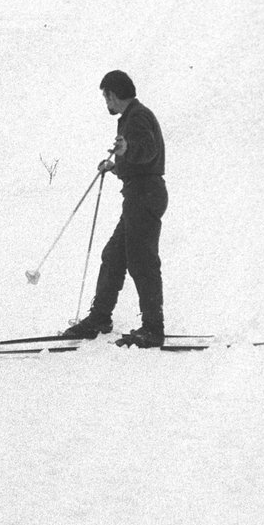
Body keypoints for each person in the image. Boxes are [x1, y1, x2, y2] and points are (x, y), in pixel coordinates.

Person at [62, 70, 168, 348]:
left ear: (112, 93)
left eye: (105, 96)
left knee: (142, 261)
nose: (105, 102)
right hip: (139, 193)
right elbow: (139, 156)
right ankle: (100, 317)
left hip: (145, 194)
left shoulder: (138, 116)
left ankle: (153, 328)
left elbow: (148, 150)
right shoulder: (132, 117)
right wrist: (116, 165)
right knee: (114, 256)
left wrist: (128, 149)